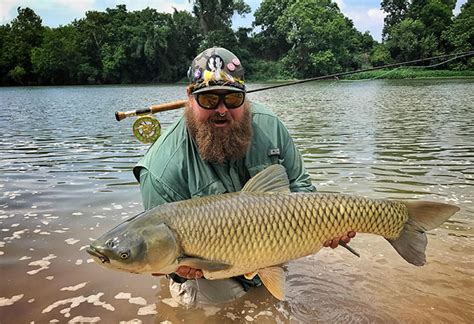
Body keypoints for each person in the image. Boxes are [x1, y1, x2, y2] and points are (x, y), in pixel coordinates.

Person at [133, 47, 355, 307]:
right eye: (208, 100)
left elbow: (300, 186)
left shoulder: (269, 125)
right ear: (189, 97)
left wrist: (326, 225)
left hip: (269, 249)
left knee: (272, 310)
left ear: (245, 97)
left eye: (232, 99)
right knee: (216, 312)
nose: (222, 110)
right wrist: (178, 269)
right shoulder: (160, 169)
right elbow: (160, 254)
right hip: (208, 274)